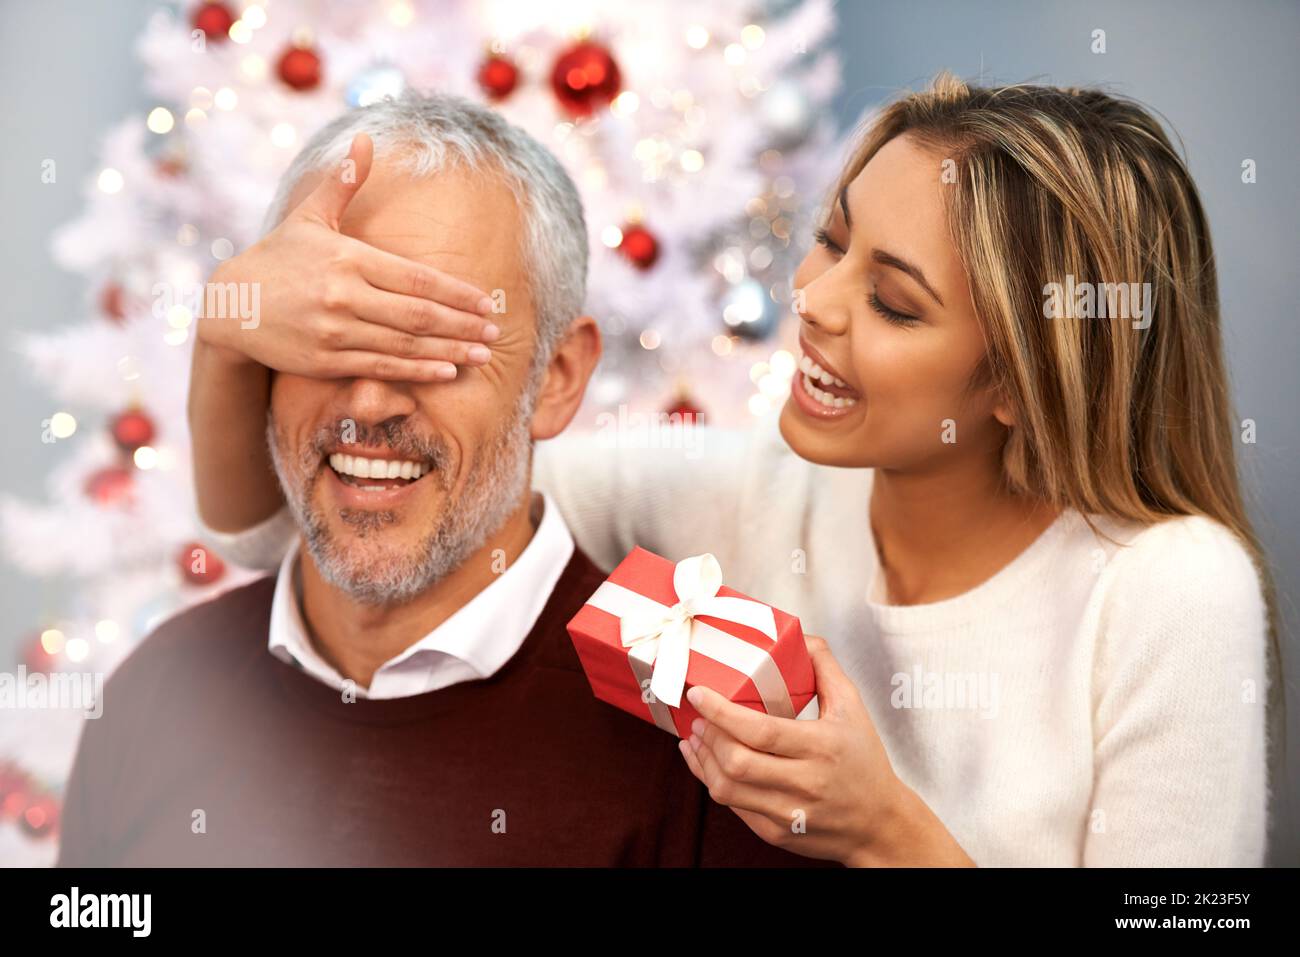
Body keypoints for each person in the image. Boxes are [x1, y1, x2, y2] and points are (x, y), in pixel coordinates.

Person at [188, 74, 1281, 867]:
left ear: (1020, 381)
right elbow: (315, 527)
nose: (814, 301)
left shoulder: (1168, 592)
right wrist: (231, 318)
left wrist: (886, 831)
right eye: (831, 240)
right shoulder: (720, 498)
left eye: (893, 302)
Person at [56, 92, 837, 867]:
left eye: (434, 348)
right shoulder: (159, 689)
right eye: (330, 334)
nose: (367, 402)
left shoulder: (717, 747)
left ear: (558, 377)